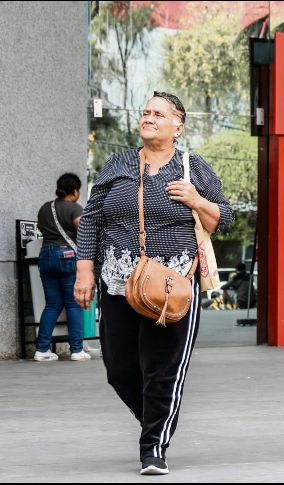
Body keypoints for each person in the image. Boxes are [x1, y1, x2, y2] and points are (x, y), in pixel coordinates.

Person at [73, 91, 233, 475]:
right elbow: (92, 218)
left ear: (178, 125)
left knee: (163, 368)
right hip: (118, 283)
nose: (149, 118)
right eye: (146, 112)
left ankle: (153, 447)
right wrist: (84, 270)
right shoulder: (118, 163)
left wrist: (196, 199)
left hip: (172, 287)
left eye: (159, 114)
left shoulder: (194, 168)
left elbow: (222, 219)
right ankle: (157, 421)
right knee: (120, 369)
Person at [34, 173, 90, 362]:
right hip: (67, 257)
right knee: (73, 304)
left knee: (52, 305)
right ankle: (76, 350)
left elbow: (41, 229)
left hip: (46, 256)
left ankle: (42, 350)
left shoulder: (44, 208)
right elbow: (83, 231)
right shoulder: (74, 208)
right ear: (75, 190)